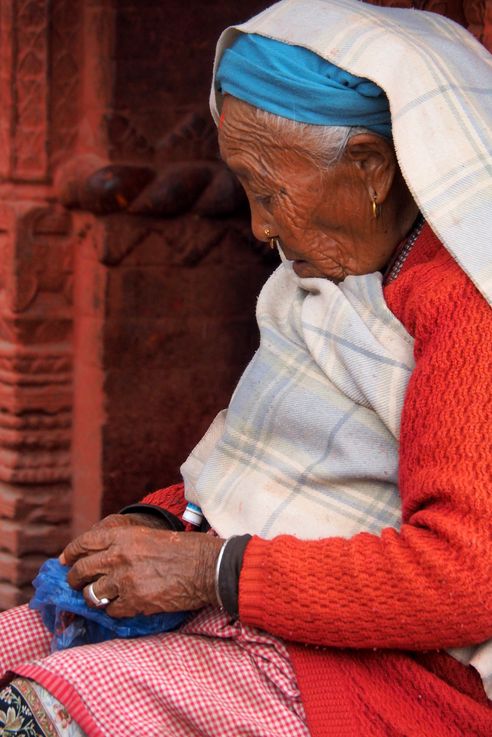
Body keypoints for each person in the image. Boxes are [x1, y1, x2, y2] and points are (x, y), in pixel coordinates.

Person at [1, 1, 491, 735]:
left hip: (405, 671)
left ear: (371, 167)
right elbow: (276, 478)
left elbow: (467, 577)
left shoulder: (465, 304)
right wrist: (161, 520)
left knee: (37, 714)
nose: (259, 227)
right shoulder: (328, 283)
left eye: (269, 192)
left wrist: (207, 571)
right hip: (274, 607)